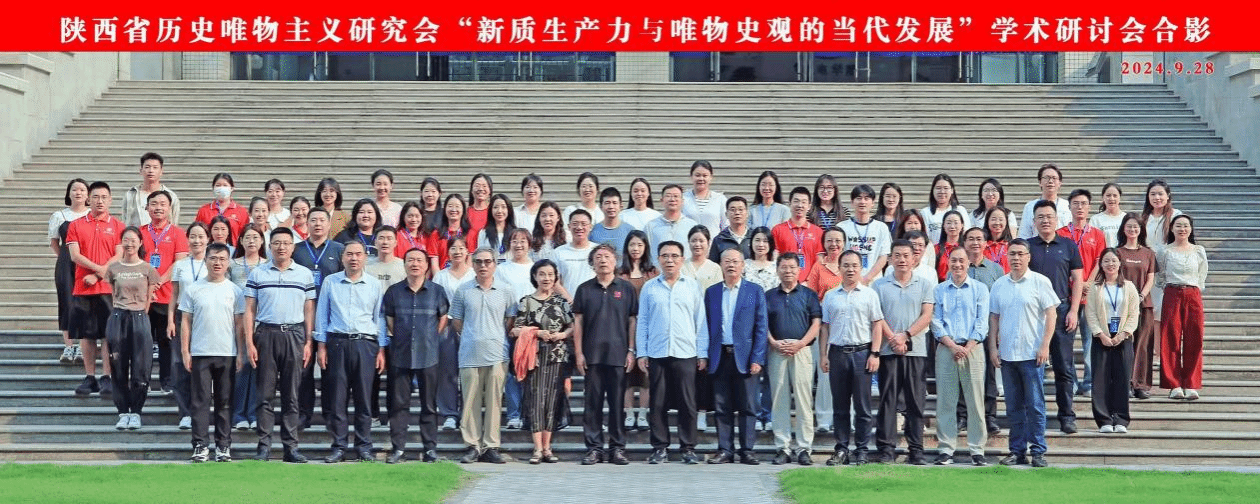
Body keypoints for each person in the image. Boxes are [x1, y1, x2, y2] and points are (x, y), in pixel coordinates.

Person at [244, 227, 316, 463]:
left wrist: (309, 341)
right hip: (266, 334)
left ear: (293, 247)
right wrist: (249, 342)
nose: (281, 247)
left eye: (286, 243)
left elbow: (309, 309)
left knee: (291, 395)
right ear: (270, 246)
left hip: (294, 335)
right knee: (264, 395)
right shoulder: (258, 273)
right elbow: (249, 309)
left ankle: (291, 448)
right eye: (276, 243)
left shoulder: (304, 274)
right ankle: (263, 446)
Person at [988, 239, 1059, 468]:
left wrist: (1045, 345)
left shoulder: (1040, 282)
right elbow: (994, 318)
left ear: (1029, 257)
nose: (1016, 258)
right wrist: (993, 348)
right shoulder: (999, 284)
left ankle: (1038, 451)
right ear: (1006, 256)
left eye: (1020, 254)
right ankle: (1017, 451)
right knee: (1013, 407)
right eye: (1012, 254)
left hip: (1032, 354)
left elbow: (1051, 314)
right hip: (1008, 355)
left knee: (1035, 406)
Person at [314, 242, 387, 464]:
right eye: (349, 254)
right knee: (338, 398)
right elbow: (322, 315)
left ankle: (364, 446)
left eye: (358, 254)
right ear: (342, 257)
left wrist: (381, 349)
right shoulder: (331, 282)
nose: (354, 258)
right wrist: (321, 346)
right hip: (337, 343)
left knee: (364, 398)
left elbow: (379, 318)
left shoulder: (374, 284)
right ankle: (339, 446)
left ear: (365, 257)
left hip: (366, 344)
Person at [637, 240, 708, 465]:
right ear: (658, 259)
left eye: (674, 256)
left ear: (682, 260)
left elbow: (700, 321)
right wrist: (641, 352)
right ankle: (660, 447)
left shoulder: (692, 286)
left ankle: (688, 448)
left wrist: (702, 353)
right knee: (658, 403)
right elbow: (643, 322)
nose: (670, 260)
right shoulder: (650, 287)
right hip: (657, 352)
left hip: (686, 352)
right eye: (665, 256)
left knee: (688, 403)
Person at [382, 248, 449, 463]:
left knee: (429, 404)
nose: (415, 264)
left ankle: (430, 449)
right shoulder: (393, 291)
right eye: (410, 260)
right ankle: (398, 449)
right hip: (400, 354)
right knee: (398, 404)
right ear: (404, 265)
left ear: (427, 265)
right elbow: (390, 320)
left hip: (429, 355)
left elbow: (442, 318)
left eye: (420, 260)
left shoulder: (437, 291)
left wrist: (429, 337)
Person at [871, 240, 935, 465]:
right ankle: (886, 449)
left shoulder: (924, 284)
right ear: (890, 258)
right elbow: (877, 316)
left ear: (914, 258)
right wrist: (893, 338)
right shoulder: (879, 285)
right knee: (888, 401)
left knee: (915, 402)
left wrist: (905, 335)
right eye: (897, 255)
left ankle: (916, 449)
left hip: (915, 351)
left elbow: (927, 315)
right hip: (888, 351)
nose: (902, 260)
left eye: (906, 255)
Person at [450, 248, 517, 464]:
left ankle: (491, 446)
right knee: (470, 401)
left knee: (494, 402)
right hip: (469, 353)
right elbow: (457, 321)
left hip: (497, 353)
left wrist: (493, 336)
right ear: (472, 264)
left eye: (488, 261)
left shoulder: (506, 290)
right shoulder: (463, 290)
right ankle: (472, 445)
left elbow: (510, 320)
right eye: (478, 261)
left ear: (495, 264)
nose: (483, 266)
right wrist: (474, 336)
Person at [573, 244, 638, 466]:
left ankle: (617, 448)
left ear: (615, 260)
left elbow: (632, 320)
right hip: (592, 356)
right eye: (598, 257)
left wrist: (631, 350)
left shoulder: (626, 288)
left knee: (617, 405)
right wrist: (579, 353)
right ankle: (594, 448)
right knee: (592, 405)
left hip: (618, 356)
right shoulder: (584, 289)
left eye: (607, 256)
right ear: (592, 263)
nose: (603, 260)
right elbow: (578, 322)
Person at [180, 242, 244, 462]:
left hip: (227, 352)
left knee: (225, 401)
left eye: (222, 259)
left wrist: (241, 353)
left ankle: (223, 446)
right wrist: (185, 351)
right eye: (213, 258)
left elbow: (239, 324)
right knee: (200, 401)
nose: (217, 263)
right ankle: (200, 445)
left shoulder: (235, 291)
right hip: (200, 352)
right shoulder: (193, 289)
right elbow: (185, 321)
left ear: (228, 263)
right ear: (206, 260)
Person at [704, 248, 769, 465]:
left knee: (748, 406)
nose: (731, 265)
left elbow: (761, 327)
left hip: (746, 358)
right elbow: (706, 325)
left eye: (735, 261)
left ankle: (747, 450)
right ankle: (725, 450)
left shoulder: (754, 291)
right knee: (721, 407)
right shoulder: (712, 292)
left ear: (743, 265)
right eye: (727, 261)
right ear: (721, 265)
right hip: (719, 356)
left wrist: (757, 358)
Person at [819, 251, 884, 466]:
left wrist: (875, 353)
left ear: (861, 268)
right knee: (840, 407)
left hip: (862, 354)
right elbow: (825, 327)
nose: (850, 269)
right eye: (846, 265)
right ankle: (841, 449)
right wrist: (823, 355)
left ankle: (862, 450)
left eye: (855, 265)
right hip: (837, 354)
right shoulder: (830, 296)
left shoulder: (869, 294)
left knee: (863, 407)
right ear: (839, 268)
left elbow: (877, 325)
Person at [1027, 200, 1084, 434]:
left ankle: (1067, 416)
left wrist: (1073, 310)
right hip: (1032, 314)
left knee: (1064, 368)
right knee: (1032, 367)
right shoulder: (1027, 246)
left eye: (1049, 216)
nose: (1045, 220)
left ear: (1056, 219)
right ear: (1034, 221)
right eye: (1040, 217)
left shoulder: (1068, 245)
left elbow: (1078, 279)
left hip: (1061, 310)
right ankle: (1033, 416)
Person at [510, 260, 574, 464]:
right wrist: (537, 333)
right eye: (542, 274)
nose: (546, 278)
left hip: (557, 356)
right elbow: (515, 330)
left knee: (553, 401)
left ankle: (548, 448)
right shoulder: (527, 301)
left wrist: (562, 335)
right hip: (534, 357)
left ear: (556, 278)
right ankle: (537, 448)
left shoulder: (561, 302)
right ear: (534, 277)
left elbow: (572, 326)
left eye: (550, 274)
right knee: (536, 400)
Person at [930, 247, 990, 466]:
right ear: (948, 262)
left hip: (973, 349)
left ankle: (977, 449)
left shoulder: (979, 289)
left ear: (968, 263)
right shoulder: (939, 290)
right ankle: (946, 449)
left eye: (961, 261)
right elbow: (936, 321)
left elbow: (982, 321)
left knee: (975, 402)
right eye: (953, 260)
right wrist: (952, 345)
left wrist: (968, 346)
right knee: (946, 401)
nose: (957, 265)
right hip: (947, 348)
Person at [291, 207, 345, 429]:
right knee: (303, 369)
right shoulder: (296, 250)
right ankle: (303, 413)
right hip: (301, 316)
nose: (318, 224)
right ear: (307, 223)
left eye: (322, 220)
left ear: (329, 224)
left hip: (331, 317)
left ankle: (330, 414)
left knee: (330, 369)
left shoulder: (339, 249)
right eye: (313, 220)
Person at [67, 181, 122, 397]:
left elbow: (119, 255)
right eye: (96, 197)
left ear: (110, 200)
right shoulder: (76, 225)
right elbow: (75, 255)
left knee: (108, 335)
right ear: (88, 199)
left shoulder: (117, 225)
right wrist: (98, 269)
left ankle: (106, 376)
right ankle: (90, 377)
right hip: (83, 288)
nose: (100, 201)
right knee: (86, 335)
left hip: (108, 289)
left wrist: (98, 274)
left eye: (104, 197)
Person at [765, 252, 821, 466]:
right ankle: (783, 447)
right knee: (779, 400)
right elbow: (763, 324)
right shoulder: (769, 296)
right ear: (777, 270)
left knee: (804, 400)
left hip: (802, 350)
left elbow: (816, 324)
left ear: (799, 270)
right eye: (784, 267)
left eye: (792, 267)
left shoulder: (808, 295)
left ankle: (804, 448)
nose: (788, 271)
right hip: (777, 350)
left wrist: (801, 343)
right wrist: (773, 342)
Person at [106, 227, 161, 431]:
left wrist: (141, 313)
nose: (129, 244)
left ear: (140, 242)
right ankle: (122, 412)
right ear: (121, 242)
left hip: (140, 318)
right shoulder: (113, 268)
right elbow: (112, 293)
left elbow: (150, 297)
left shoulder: (148, 269)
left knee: (141, 367)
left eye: (133, 240)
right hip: (118, 317)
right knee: (118, 365)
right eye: (125, 240)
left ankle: (136, 411)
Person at [138, 190, 188, 397]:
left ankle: (167, 382)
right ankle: (143, 381)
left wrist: (158, 281)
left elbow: (180, 261)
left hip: (168, 296)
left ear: (169, 208)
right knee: (143, 342)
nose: (158, 207)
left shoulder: (178, 233)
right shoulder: (140, 232)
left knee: (167, 342)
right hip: (143, 297)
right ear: (146, 207)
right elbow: (134, 259)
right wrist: (147, 284)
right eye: (154, 203)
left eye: (162, 204)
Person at [1059, 188, 1108, 397]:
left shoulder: (1097, 234)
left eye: (1083, 204)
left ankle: (1088, 383)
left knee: (1090, 341)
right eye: (1076, 203)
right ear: (1069, 207)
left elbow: (1100, 261)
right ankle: (1071, 382)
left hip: (1090, 294)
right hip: (1067, 295)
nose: (1080, 207)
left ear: (1089, 207)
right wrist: (1075, 281)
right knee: (1066, 342)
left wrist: (1087, 282)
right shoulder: (1061, 233)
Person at [1086, 248, 1140, 433]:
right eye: (1106, 261)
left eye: (1114, 261)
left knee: (1122, 378)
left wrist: (1123, 334)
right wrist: (1101, 334)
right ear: (1101, 264)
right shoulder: (1095, 288)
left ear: (1120, 263)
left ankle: (1121, 419)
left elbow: (1134, 313)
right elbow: (1091, 314)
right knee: (1100, 379)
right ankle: (1104, 420)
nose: (1110, 264)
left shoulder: (1129, 287)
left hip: (1123, 337)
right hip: (1101, 335)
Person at [1158, 214, 1208, 400]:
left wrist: (1194, 288)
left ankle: (1191, 384)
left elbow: (1202, 274)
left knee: (1195, 338)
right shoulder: (1165, 251)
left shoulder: (1198, 250)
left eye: (1186, 226)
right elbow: (1160, 275)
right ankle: (1174, 385)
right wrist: (1170, 288)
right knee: (1170, 338)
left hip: (1193, 294)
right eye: (1178, 225)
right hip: (1172, 293)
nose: (1182, 229)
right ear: (1172, 229)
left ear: (1191, 229)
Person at [962, 227, 1004, 436]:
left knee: (989, 376)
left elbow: (1001, 302)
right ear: (964, 243)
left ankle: (989, 416)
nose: (975, 243)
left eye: (979, 239)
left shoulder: (996, 270)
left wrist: (999, 331)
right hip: (962, 330)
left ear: (986, 243)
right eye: (971, 239)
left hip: (988, 330)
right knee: (962, 374)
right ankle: (963, 415)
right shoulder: (958, 267)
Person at [167, 222, 210, 430]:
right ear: (187, 239)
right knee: (179, 365)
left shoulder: (215, 262)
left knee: (203, 366)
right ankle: (185, 412)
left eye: (201, 236)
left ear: (208, 239)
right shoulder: (180, 265)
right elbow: (174, 294)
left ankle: (200, 411)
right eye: (193, 236)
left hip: (207, 319)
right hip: (182, 318)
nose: (197, 240)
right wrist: (170, 320)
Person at [431, 237, 474, 432]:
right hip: (446, 325)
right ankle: (449, 413)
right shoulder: (440, 276)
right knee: (447, 372)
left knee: (469, 372)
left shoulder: (474, 274)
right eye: (453, 248)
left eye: (461, 248)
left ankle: (467, 412)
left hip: (470, 326)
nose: (457, 252)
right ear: (447, 253)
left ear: (467, 252)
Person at [617, 230, 658, 431]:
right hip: (623, 328)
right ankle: (628, 414)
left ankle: (642, 414)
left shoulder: (652, 272)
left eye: (640, 245)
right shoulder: (620, 273)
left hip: (648, 328)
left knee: (644, 374)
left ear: (646, 248)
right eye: (632, 245)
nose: (636, 249)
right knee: (626, 373)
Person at [365, 226, 406, 426]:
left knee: (396, 376)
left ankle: (394, 415)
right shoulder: (367, 266)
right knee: (372, 374)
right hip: (372, 325)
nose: (385, 242)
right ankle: (373, 414)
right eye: (381, 238)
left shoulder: (403, 266)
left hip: (397, 327)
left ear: (396, 242)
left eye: (389, 238)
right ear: (375, 242)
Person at [682, 224, 720, 432]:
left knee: (704, 370)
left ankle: (703, 413)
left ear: (708, 243)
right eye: (694, 240)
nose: (697, 244)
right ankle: (688, 411)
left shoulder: (715, 268)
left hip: (710, 323)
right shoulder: (682, 266)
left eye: (701, 241)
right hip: (686, 323)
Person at [228, 225, 267, 432]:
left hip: (262, 323)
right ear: (241, 241)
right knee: (241, 367)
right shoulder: (232, 265)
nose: (251, 241)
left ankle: (253, 413)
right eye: (247, 237)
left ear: (262, 241)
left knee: (258, 369)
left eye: (255, 237)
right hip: (237, 322)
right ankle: (238, 414)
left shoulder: (268, 265)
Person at [1117, 213, 1158, 400]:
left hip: (1144, 304)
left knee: (1143, 345)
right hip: (1120, 305)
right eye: (1129, 226)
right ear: (1123, 229)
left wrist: (1140, 295)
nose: (1132, 229)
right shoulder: (1117, 252)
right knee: (1121, 343)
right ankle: (1122, 383)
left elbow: (1150, 278)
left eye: (1136, 226)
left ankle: (1140, 385)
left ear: (1141, 230)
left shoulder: (1148, 253)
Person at [50, 179, 90, 363]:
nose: (78, 193)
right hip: (66, 264)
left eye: (82, 190)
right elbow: (54, 242)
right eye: (74, 190)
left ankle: (83, 345)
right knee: (66, 302)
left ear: (88, 195)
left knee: (84, 304)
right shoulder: (59, 215)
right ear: (68, 193)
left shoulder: (92, 215)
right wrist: (66, 257)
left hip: (87, 263)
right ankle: (68, 346)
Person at [1143, 179, 1182, 345]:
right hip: (1150, 271)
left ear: (1168, 196)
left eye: (1160, 194)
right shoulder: (1144, 218)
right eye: (1153, 194)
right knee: (1153, 314)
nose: (1157, 197)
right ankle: (1156, 352)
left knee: (1167, 314)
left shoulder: (1175, 215)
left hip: (1169, 272)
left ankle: (1165, 352)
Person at [839, 185, 892, 285]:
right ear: (852, 202)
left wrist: (867, 278)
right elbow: (839, 254)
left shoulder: (881, 227)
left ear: (873, 203)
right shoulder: (842, 227)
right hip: (848, 281)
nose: (862, 202)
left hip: (875, 282)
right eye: (859, 198)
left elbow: (883, 257)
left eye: (866, 198)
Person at [772, 187, 824, 277]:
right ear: (790, 204)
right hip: (785, 280)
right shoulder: (777, 230)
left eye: (804, 202)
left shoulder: (818, 232)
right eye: (796, 201)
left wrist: (810, 281)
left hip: (810, 282)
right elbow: (775, 260)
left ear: (809, 206)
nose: (800, 205)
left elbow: (819, 262)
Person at [644, 184, 699, 267]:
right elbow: (645, 253)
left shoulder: (692, 226)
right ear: (662, 200)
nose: (672, 199)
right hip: (659, 272)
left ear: (682, 201)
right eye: (668, 196)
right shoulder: (651, 226)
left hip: (686, 272)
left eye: (676, 196)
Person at [122, 152, 181, 227]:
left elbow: (174, 223)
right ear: (141, 171)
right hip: (138, 233)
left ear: (161, 171)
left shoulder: (171, 196)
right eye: (147, 167)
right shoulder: (131, 195)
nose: (151, 171)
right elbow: (125, 220)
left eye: (155, 167)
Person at [550, 209, 597, 299]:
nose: (579, 227)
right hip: (566, 303)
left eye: (583, 224)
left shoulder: (598, 251)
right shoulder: (558, 252)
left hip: (594, 302)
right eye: (575, 224)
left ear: (590, 226)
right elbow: (554, 282)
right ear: (569, 226)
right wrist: (569, 301)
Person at [1017, 163, 1072, 239]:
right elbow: (1024, 235)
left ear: (1060, 183)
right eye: (1046, 177)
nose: (1050, 181)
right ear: (1040, 182)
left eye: (1054, 178)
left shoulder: (1067, 206)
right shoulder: (1030, 206)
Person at [427, 194, 477, 273]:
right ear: (445, 209)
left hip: (464, 276)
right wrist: (439, 279)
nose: (454, 209)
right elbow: (434, 264)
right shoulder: (436, 234)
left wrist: (463, 278)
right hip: (442, 276)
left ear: (463, 210)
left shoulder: (470, 233)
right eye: (450, 206)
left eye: (457, 206)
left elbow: (470, 261)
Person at [194, 173, 249, 240]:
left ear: (232, 188)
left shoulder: (242, 211)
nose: (221, 188)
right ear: (213, 188)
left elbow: (245, 235)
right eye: (218, 185)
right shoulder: (204, 211)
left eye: (225, 185)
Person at [921, 173, 971, 244]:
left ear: (952, 190)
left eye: (946, 188)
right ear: (933, 190)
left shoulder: (960, 210)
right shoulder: (925, 212)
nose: (942, 192)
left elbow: (966, 233)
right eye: (938, 188)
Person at [589, 187, 635, 261]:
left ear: (621, 206)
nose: (611, 207)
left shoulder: (630, 231)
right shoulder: (593, 231)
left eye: (614, 203)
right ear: (601, 207)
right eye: (607, 203)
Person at [683, 160, 728, 234]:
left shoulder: (720, 199)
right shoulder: (683, 198)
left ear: (711, 177)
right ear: (691, 176)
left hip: (714, 241)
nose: (701, 179)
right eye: (697, 175)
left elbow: (726, 225)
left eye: (705, 176)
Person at [805, 227, 848, 299]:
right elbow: (811, 295)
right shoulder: (818, 266)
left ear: (843, 243)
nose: (833, 244)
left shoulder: (850, 264)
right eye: (829, 241)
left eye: (838, 241)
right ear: (823, 243)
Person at [709, 196, 752, 263]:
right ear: (726, 214)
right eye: (732, 210)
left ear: (747, 213)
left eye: (740, 209)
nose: (737, 213)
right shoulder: (719, 240)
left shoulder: (754, 237)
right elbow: (714, 265)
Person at [476, 193, 517, 263]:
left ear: (509, 210)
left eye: (503, 207)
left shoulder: (515, 233)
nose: (499, 211)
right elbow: (480, 255)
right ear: (491, 210)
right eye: (495, 207)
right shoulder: (483, 233)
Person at [1090, 183, 1125, 248]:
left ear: (1120, 198)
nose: (1111, 198)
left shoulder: (1126, 218)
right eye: (1108, 195)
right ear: (1103, 198)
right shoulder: (1095, 219)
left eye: (1115, 196)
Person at [743, 227, 778, 292]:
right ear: (751, 243)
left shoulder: (777, 266)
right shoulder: (744, 265)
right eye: (757, 240)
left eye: (765, 241)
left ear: (770, 244)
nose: (761, 245)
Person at [935, 211, 967, 281]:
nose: (952, 226)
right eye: (949, 223)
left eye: (956, 223)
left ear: (962, 225)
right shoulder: (936, 249)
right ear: (943, 226)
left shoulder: (967, 248)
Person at [983, 206, 1014, 272]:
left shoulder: (1011, 246)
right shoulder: (981, 246)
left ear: (1006, 222)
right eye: (993, 219)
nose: (997, 223)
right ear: (987, 221)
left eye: (1001, 219)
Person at [466, 173, 494, 239]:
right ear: (471, 190)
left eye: (484, 186)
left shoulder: (494, 212)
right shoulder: (465, 212)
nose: (481, 189)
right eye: (477, 185)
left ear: (490, 190)